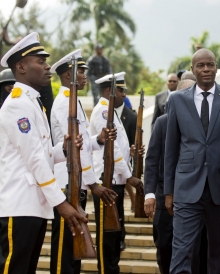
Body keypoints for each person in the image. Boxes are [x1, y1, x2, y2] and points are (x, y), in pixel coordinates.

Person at [0, 32, 86, 274]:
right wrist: (61, 203)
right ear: (21, 67)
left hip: (33, 205)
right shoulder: (18, 104)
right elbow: (34, 159)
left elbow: (41, 153)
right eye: (40, 61)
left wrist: (64, 149)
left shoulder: (32, 102)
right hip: (19, 205)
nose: (48, 66)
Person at [164, 48, 220, 273]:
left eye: (211, 65)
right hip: (186, 188)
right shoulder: (177, 100)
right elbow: (171, 149)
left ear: (217, 68)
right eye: (201, 65)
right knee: (181, 252)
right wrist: (168, 191)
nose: (206, 69)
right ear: (193, 70)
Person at [49, 49, 118, 274]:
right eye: (81, 72)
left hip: (75, 181)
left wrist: (97, 139)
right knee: (65, 249)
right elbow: (74, 149)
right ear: (68, 75)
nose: (84, 76)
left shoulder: (74, 101)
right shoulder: (63, 103)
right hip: (66, 181)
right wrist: (93, 183)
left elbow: (83, 144)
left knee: (75, 246)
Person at [145, 79, 202, 274]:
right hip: (165, 199)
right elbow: (152, 160)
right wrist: (149, 194)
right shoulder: (162, 123)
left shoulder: (206, 123)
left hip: (196, 199)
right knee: (165, 247)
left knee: (194, 253)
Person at [90, 72, 143, 274]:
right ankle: (106, 270)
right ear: (108, 90)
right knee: (107, 235)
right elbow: (110, 150)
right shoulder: (103, 111)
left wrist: (130, 154)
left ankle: (113, 269)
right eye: (120, 90)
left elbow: (118, 147)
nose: (123, 94)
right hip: (108, 182)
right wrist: (129, 176)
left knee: (115, 233)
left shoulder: (112, 111)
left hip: (116, 181)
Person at [113, 78, 138, 250]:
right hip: (113, 171)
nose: (124, 94)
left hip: (124, 165)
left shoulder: (131, 115)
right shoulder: (106, 113)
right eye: (120, 90)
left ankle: (120, 238)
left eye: (124, 91)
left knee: (119, 209)